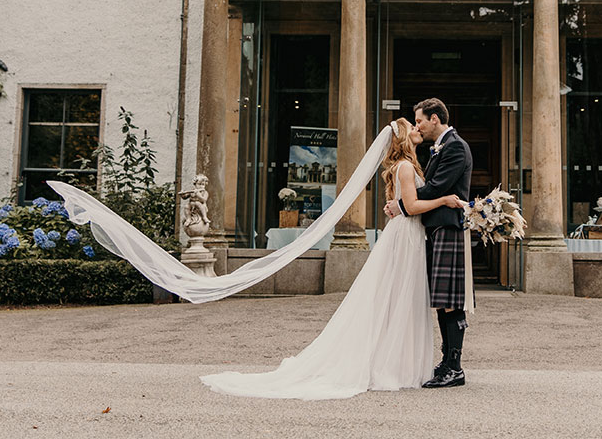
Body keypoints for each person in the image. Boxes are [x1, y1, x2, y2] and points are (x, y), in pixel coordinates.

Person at [49, 118, 463, 400]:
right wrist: (444, 198)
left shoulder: (406, 165)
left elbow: (398, 205)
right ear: (404, 140)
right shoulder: (408, 166)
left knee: (395, 303)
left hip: (404, 238)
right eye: (413, 129)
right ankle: (398, 367)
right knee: (397, 303)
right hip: (405, 237)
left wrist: (401, 206)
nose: (418, 133)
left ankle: (402, 364)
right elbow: (408, 205)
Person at [384, 97, 474, 389]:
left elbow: (436, 188)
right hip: (435, 230)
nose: (418, 126)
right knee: (441, 301)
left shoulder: (455, 147)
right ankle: (447, 362)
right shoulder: (439, 149)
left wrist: (401, 205)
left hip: (448, 228)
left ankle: (454, 367)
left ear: (435, 119)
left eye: (421, 120)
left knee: (450, 302)